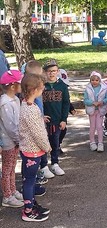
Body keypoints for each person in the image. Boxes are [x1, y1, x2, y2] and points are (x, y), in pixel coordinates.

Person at [19, 73, 51, 222]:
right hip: (32, 150)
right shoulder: (30, 110)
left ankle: (31, 203)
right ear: (34, 90)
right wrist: (47, 147)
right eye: (41, 86)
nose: (43, 88)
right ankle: (28, 211)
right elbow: (37, 133)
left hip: (30, 149)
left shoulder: (27, 104)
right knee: (30, 181)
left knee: (29, 179)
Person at [0, 70, 24, 208]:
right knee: (7, 169)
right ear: (13, 86)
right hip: (9, 141)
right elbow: (10, 126)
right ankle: (7, 196)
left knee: (13, 166)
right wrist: (18, 139)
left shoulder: (15, 99)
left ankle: (13, 190)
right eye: (20, 83)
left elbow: (18, 121)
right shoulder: (5, 103)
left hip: (15, 140)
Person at [42, 59, 70, 176]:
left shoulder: (62, 86)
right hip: (44, 121)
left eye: (54, 71)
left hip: (57, 121)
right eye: (49, 71)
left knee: (55, 142)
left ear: (58, 71)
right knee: (43, 143)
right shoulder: (42, 86)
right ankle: (43, 165)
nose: (52, 73)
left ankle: (54, 163)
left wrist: (64, 119)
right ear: (45, 72)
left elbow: (66, 103)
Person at [84, 71, 107, 152]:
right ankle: (92, 142)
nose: (94, 82)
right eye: (92, 80)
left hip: (100, 110)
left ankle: (100, 143)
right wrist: (92, 103)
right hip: (92, 110)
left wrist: (102, 102)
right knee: (92, 127)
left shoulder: (104, 88)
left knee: (99, 127)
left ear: (100, 80)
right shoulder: (87, 89)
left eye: (96, 80)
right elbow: (85, 100)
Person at [58, 68, 76, 154]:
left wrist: (71, 109)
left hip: (62, 113)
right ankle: (54, 146)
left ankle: (58, 144)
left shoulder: (64, 90)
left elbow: (67, 101)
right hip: (53, 112)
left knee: (63, 130)